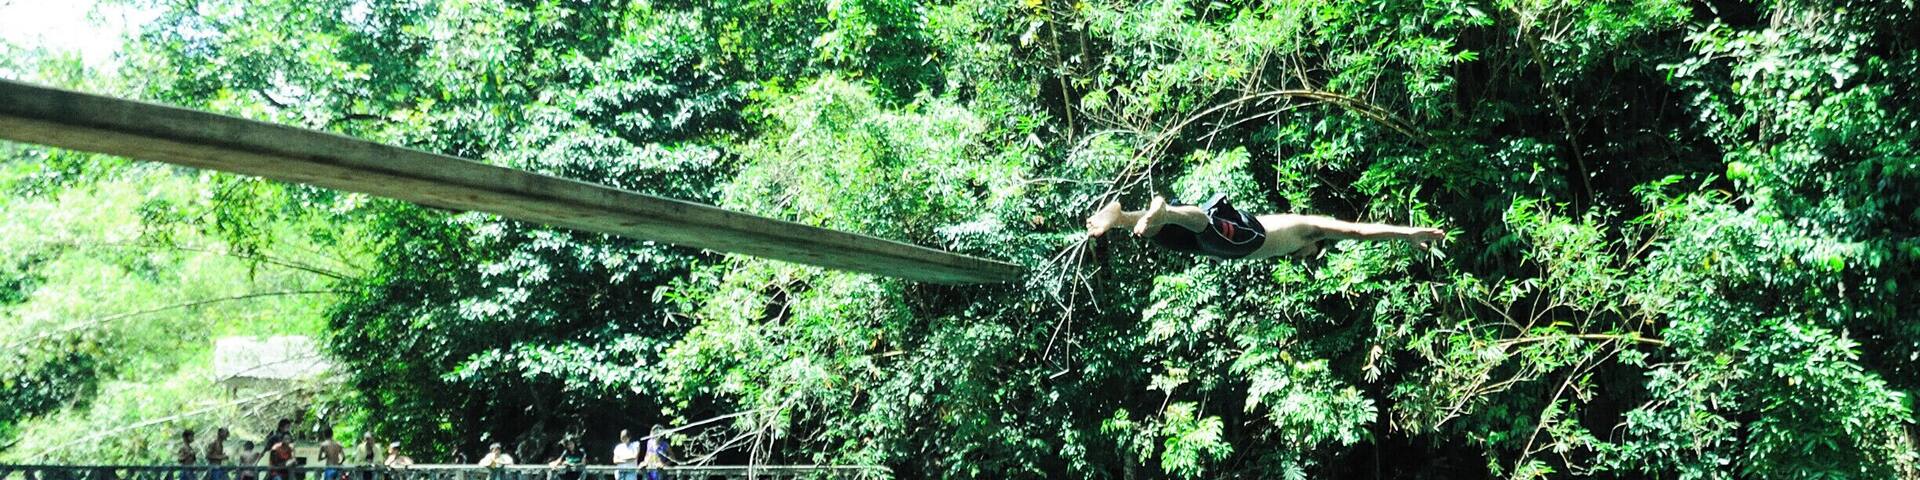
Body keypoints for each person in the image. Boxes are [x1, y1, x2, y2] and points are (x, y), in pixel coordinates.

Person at [1085, 194, 1445, 260]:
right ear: (1314, 245)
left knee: (1154, 234)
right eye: (1310, 256)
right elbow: (1356, 232)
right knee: (1204, 223)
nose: (1304, 257)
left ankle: (1118, 219)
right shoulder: (1311, 230)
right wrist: (1406, 233)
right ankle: (1167, 211)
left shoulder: (1294, 230)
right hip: (1248, 240)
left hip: (1221, 250)